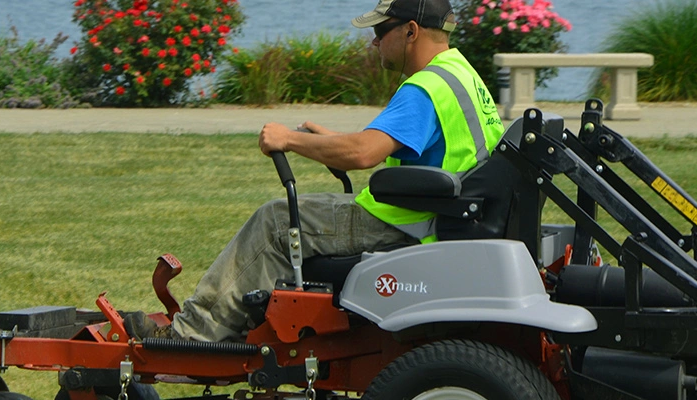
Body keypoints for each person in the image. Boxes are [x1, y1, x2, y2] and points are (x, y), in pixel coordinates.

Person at [125, 0, 506, 342]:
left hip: (405, 225)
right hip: (441, 218)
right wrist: (332, 142)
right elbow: (398, 144)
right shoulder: (462, 76)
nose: (373, 43)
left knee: (275, 220)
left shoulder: (423, 88)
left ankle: (192, 334)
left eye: (379, 32)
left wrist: (288, 139)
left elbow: (363, 153)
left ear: (411, 31)